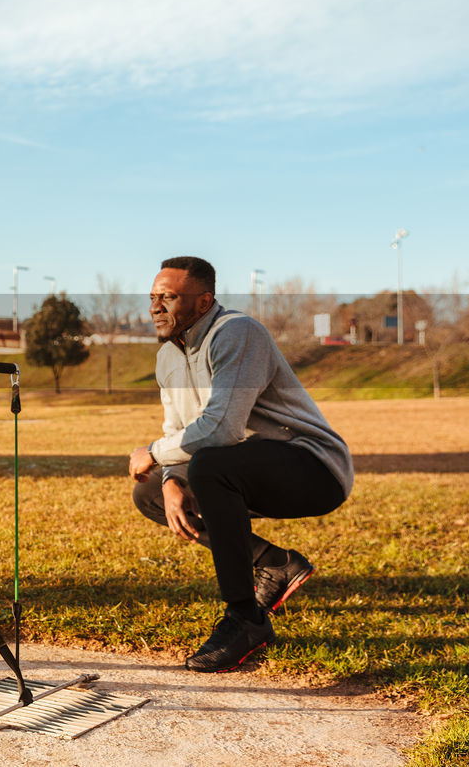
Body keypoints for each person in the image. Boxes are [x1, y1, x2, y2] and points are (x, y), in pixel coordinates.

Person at [127, 256, 353, 673]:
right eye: (153, 297)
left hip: (312, 467)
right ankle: (274, 564)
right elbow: (179, 426)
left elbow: (221, 430)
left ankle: (246, 620)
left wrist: (155, 453)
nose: (155, 307)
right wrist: (171, 479)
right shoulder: (167, 357)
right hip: (237, 469)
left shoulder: (236, 332)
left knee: (211, 466)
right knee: (150, 492)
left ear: (203, 301)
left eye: (168, 297)